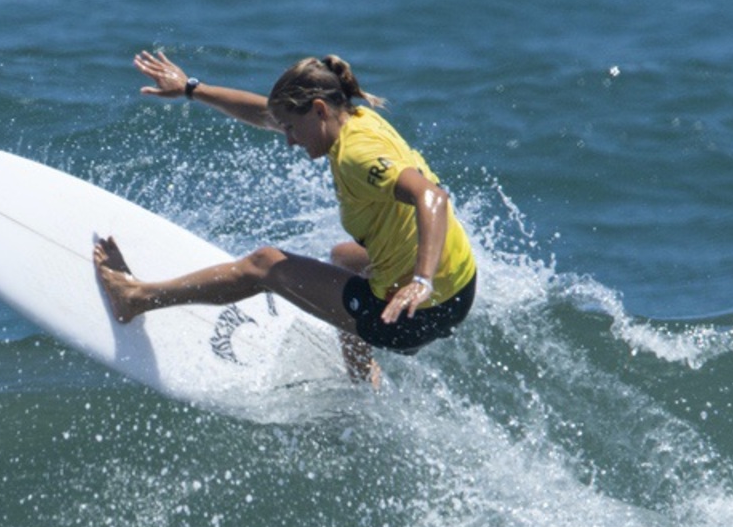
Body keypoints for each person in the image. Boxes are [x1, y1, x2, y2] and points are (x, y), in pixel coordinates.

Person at [93, 49, 479, 374]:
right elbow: (266, 115)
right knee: (344, 258)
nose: (289, 141)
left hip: (418, 313)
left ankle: (136, 297)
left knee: (265, 265)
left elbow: (433, 198)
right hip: (461, 287)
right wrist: (191, 89)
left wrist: (420, 281)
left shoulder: (357, 156)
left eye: (293, 129)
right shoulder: (354, 119)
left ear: (318, 110)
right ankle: (363, 379)